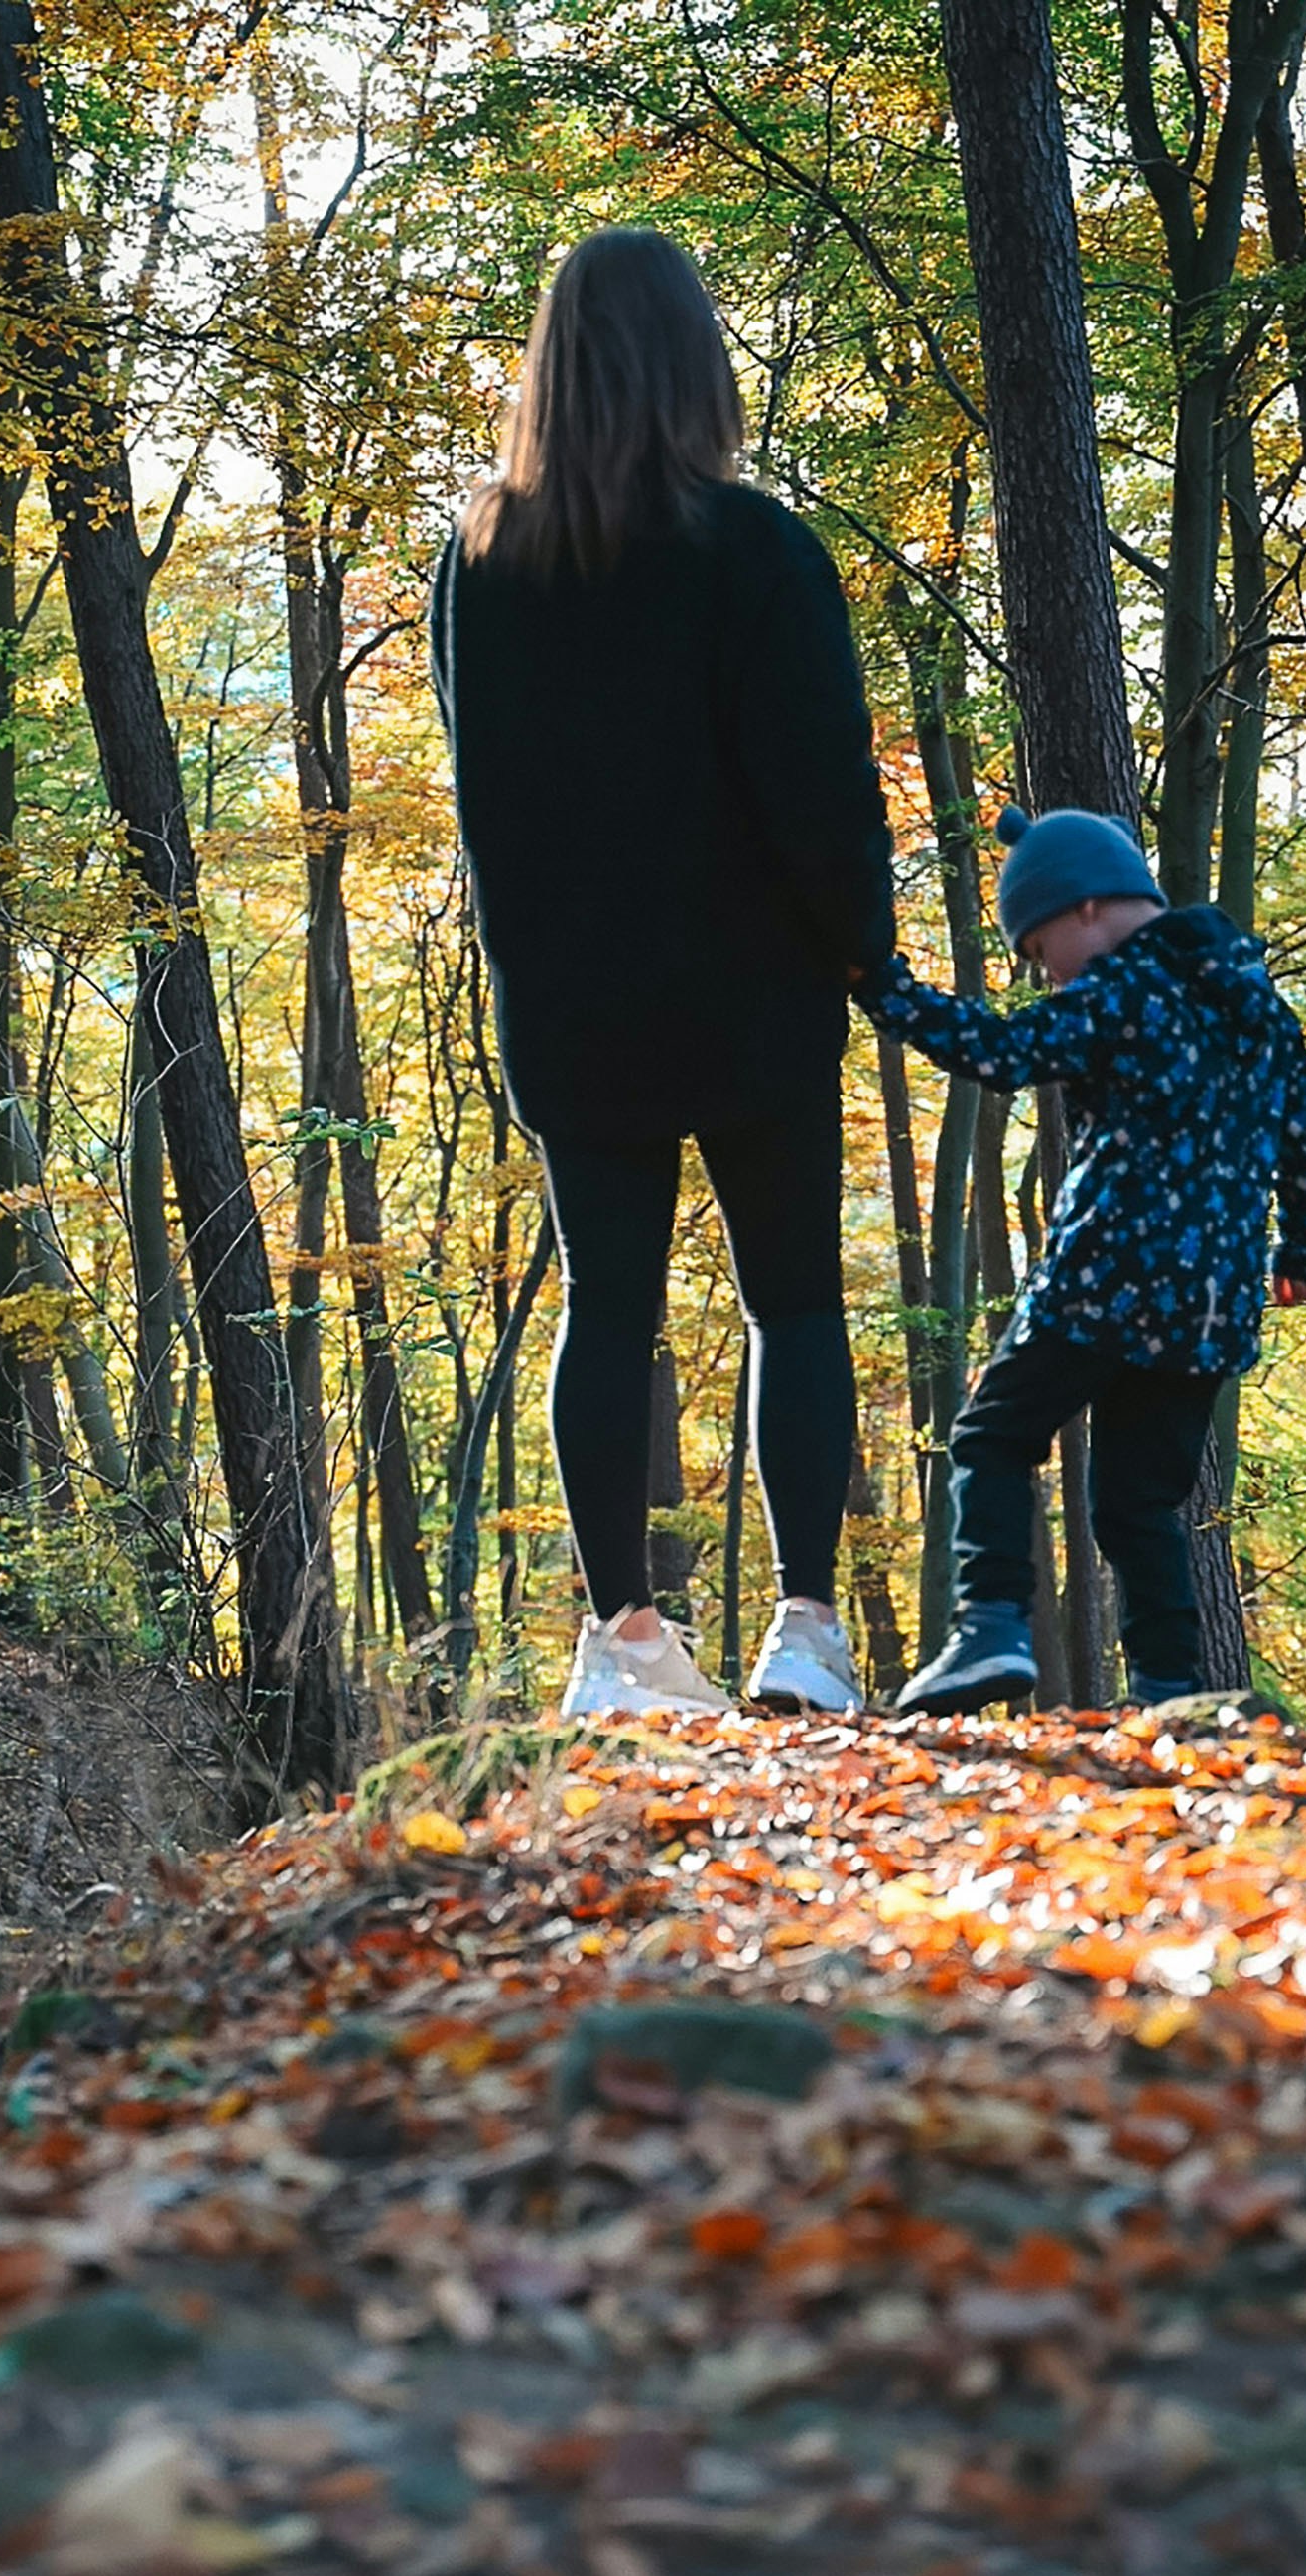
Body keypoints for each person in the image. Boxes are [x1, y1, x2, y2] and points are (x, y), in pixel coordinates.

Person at [431, 228, 896, 1720]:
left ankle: (621, 1644)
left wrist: (530, 969)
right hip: (755, 989)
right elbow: (822, 785)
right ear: (699, 365)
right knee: (793, 1302)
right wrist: (868, 949)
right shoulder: (757, 549)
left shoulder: (482, 558)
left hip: (574, 1000)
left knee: (607, 1307)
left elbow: (486, 795)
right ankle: (804, 1633)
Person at [856, 805, 1306, 1714]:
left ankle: (989, 1626)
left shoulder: (1122, 993)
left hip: (1106, 1276)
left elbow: (999, 1050)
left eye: (1040, 950)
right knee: (1137, 1505)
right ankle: (1171, 1691)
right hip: (1209, 1307)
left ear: (1083, 907)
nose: (1047, 973)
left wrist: (883, 985)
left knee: (991, 1436)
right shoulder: (1260, 1010)